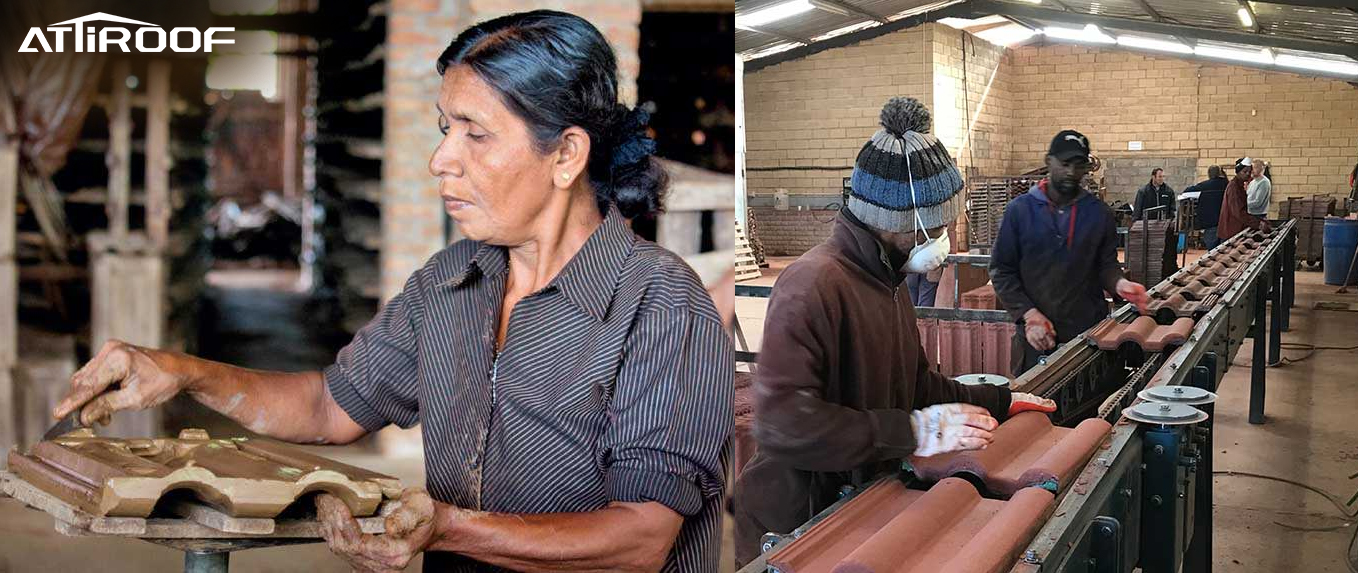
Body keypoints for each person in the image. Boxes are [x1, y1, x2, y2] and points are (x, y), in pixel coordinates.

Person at [51, 11, 731, 573]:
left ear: (567, 155)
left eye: (477, 133)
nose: (443, 159)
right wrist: (180, 372)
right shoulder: (452, 282)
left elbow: (643, 537)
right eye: (445, 129)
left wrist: (452, 527)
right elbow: (328, 405)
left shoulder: (660, 307)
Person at [732, 97, 1055, 566]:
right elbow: (784, 424)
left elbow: (918, 384)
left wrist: (1002, 400)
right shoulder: (813, 285)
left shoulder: (889, 280)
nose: (946, 235)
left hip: (860, 500)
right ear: (903, 222)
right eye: (940, 224)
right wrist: (911, 430)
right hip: (796, 526)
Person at [990, 130, 1151, 376]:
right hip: (1036, 337)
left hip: (1088, 335)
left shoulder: (1098, 213)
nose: (1071, 173)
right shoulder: (1020, 212)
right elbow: (1002, 270)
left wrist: (1119, 284)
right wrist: (1029, 315)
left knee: (1088, 408)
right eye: (1065, 164)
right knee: (1034, 405)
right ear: (1048, 161)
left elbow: (1105, 264)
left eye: (1078, 166)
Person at [1219, 157, 1272, 240]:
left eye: (1249, 171)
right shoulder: (1234, 187)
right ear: (1238, 172)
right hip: (1231, 230)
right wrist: (1258, 224)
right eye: (1244, 171)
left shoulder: (1242, 185)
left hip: (1239, 226)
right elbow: (1239, 212)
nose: (1247, 174)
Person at [1183, 165, 1228, 248]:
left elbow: (1187, 191)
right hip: (1226, 222)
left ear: (1209, 174)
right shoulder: (1227, 184)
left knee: (1212, 250)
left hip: (1210, 222)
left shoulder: (1205, 185)